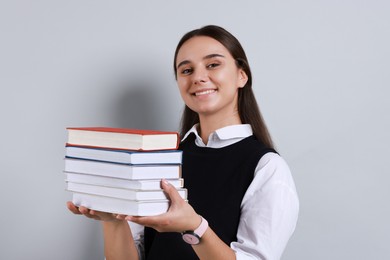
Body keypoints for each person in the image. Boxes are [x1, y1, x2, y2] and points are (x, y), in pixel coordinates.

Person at [67, 25, 299, 260]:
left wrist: (195, 228)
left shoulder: (267, 167)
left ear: (242, 75)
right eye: (186, 70)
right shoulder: (159, 160)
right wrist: (111, 220)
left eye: (213, 65)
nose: (198, 77)